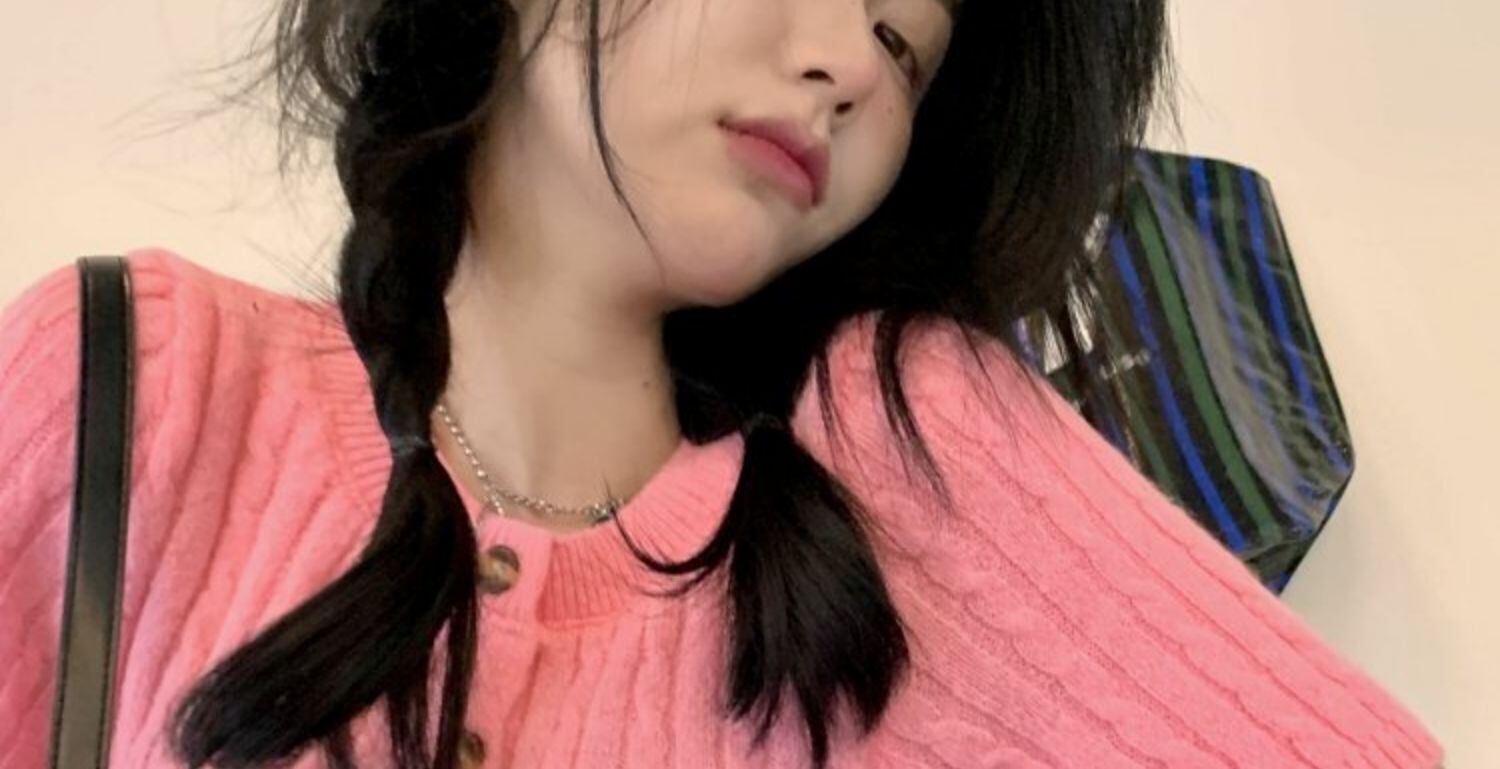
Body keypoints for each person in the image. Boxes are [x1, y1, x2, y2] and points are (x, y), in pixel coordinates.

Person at [0, 0, 1446, 767]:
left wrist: (935, 415)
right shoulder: (142, 380)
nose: (848, 66)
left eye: (904, 48)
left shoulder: (881, 539)